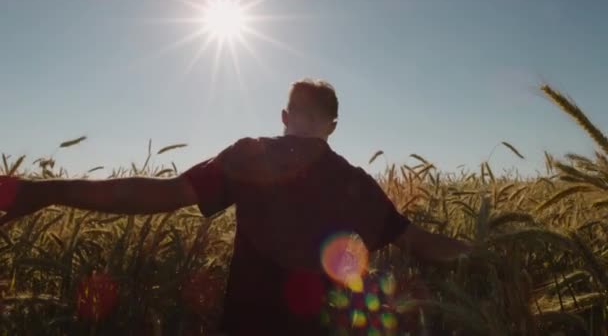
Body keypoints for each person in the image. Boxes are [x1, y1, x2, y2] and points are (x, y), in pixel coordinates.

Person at [0, 78, 471, 335]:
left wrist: (47, 191)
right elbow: (420, 242)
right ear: (333, 126)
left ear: (287, 118)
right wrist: (483, 252)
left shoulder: (253, 156)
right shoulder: (357, 184)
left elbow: (159, 194)